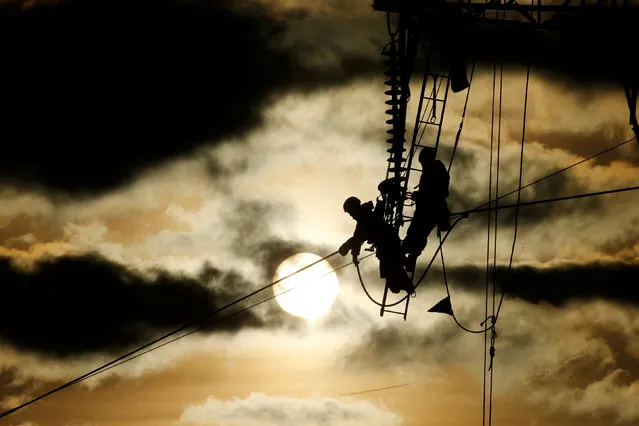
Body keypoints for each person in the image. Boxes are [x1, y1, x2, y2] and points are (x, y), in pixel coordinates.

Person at [339, 196, 414, 294]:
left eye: (351, 212)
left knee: (391, 269)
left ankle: (406, 281)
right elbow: (358, 237)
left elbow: (358, 237)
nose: (351, 216)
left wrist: (346, 247)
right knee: (391, 270)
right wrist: (354, 253)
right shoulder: (364, 217)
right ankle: (405, 272)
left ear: (355, 209)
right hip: (387, 245)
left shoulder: (365, 218)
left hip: (387, 245)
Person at [401, 147, 451, 272]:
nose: (422, 165)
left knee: (416, 234)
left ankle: (406, 255)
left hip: (429, 211)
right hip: (428, 210)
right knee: (417, 235)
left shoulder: (435, 171)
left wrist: (418, 196)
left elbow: (434, 192)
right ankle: (408, 256)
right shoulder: (434, 170)